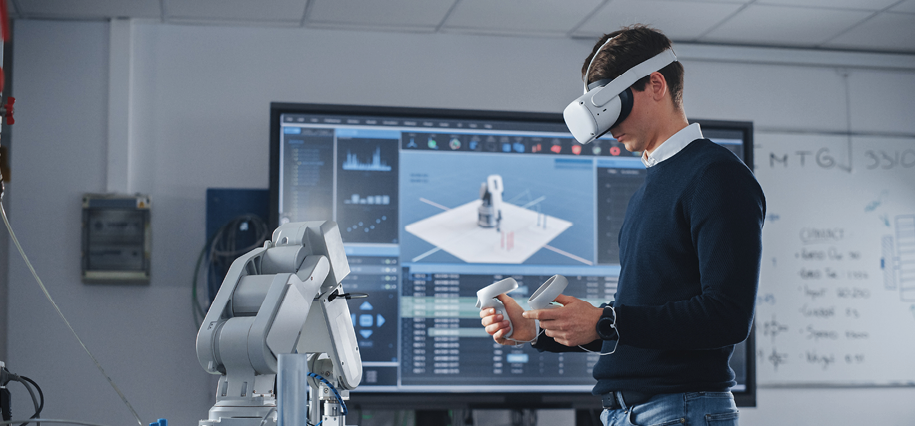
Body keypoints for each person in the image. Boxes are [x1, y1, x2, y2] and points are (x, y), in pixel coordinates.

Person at [480, 25, 765, 426]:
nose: (608, 127)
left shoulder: (716, 175)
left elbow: (727, 316)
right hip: (633, 413)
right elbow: (641, 326)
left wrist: (605, 320)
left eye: (615, 105)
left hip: (681, 411)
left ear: (655, 84)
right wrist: (536, 330)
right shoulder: (650, 188)